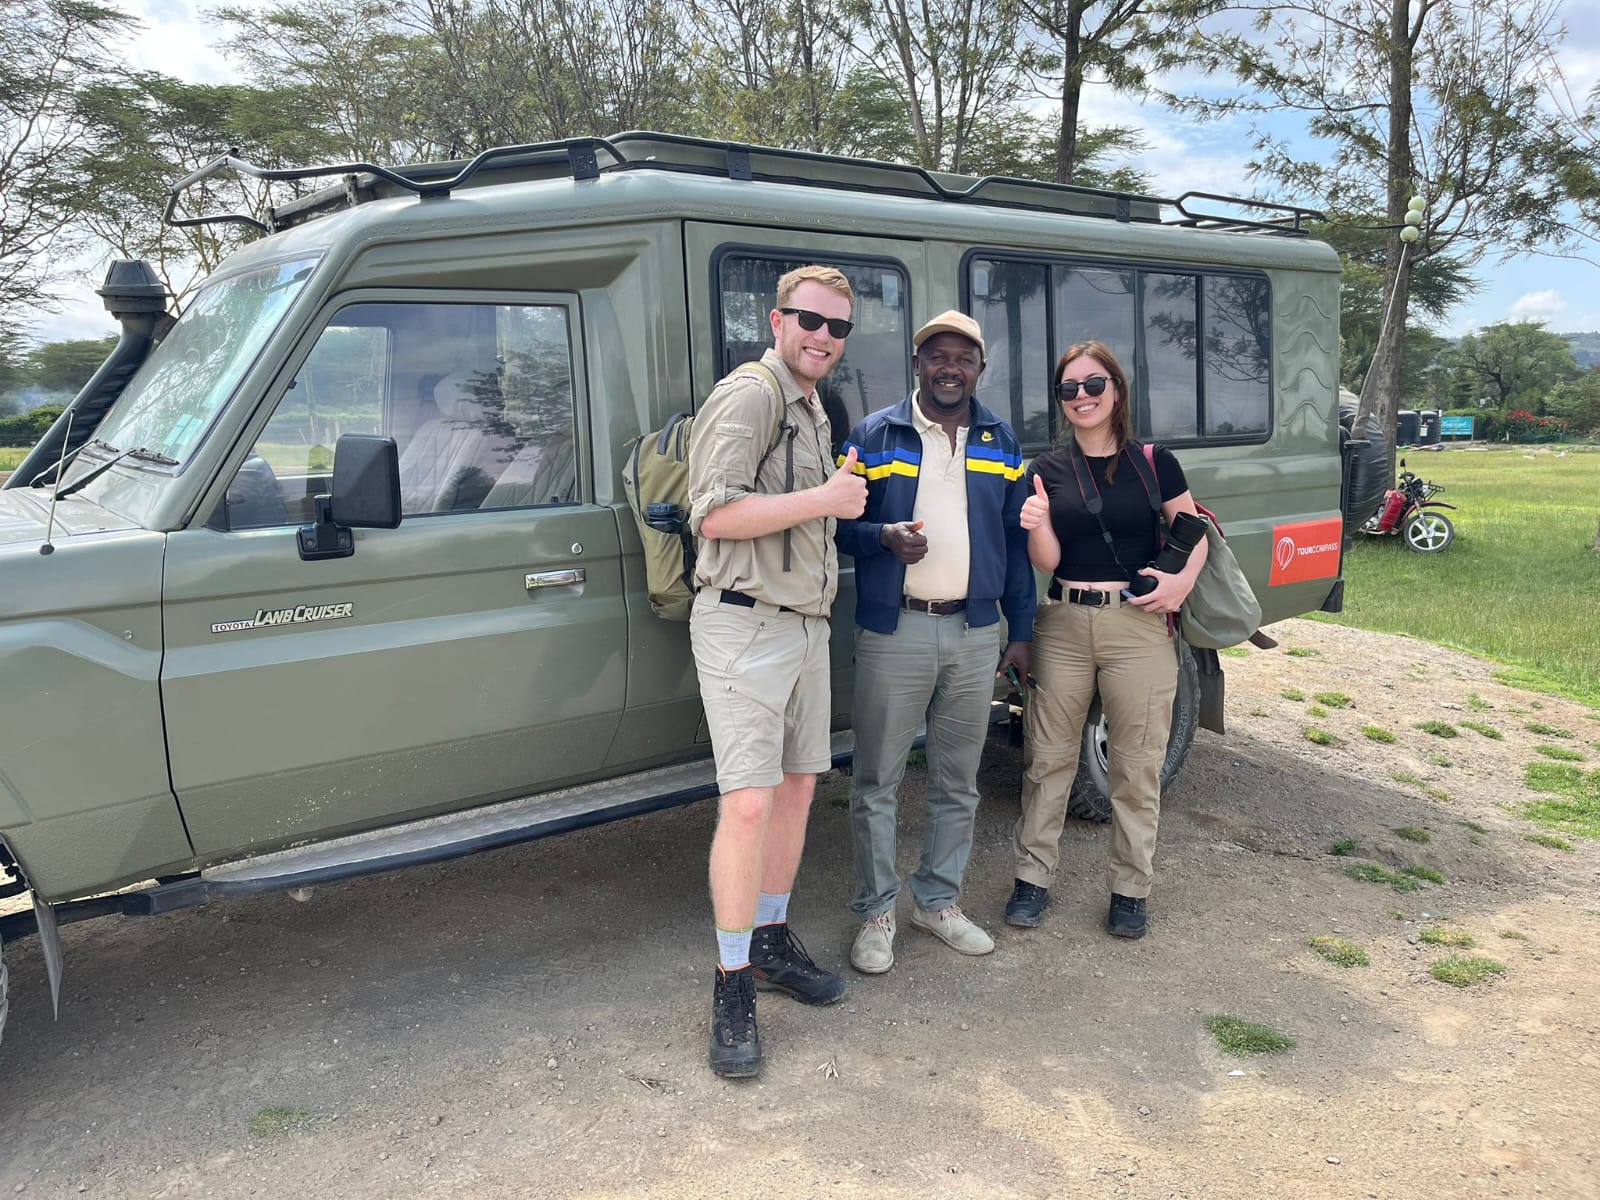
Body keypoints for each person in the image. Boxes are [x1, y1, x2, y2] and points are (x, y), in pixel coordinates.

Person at [686, 264, 868, 1078]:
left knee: (798, 787)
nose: (823, 337)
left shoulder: (812, 405)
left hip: (803, 628)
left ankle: (768, 941)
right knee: (750, 802)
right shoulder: (752, 394)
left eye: (837, 328)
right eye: (810, 321)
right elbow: (715, 513)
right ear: (776, 319)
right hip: (743, 626)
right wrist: (826, 499)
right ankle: (730, 982)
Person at [835, 310, 1035, 974]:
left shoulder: (1001, 440)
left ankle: (937, 902)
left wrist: (1021, 630)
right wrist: (883, 537)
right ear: (917, 363)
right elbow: (839, 526)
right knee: (877, 781)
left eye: (964, 359)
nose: (951, 368)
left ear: (981, 368)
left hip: (976, 632)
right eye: (938, 356)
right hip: (897, 629)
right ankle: (876, 912)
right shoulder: (876, 433)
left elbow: (1014, 540)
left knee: (958, 779)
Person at [1005, 340, 1207, 940]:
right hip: (1064, 621)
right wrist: (1037, 528)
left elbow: (1193, 529)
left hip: (1137, 625)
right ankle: (1031, 879)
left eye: (1094, 385)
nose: (1082, 397)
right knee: (1047, 760)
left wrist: (1179, 584)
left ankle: (1130, 889)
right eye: (1069, 389)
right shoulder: (1044, 470)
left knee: (1136, 763)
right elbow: (1047, 559)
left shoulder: (1154, 461)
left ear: (1116, 390)